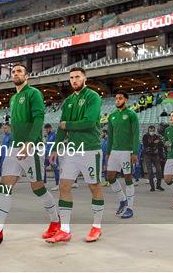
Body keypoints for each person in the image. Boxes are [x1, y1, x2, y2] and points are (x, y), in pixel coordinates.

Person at [0, 64, 59, 245]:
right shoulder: (13, 98)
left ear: (27, 75)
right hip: (14, 148)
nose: (15, 74)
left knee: (38, 188)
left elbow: (38, 119)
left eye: (19, 71)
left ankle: (55, 221)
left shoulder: (33, 93)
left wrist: (29, 143)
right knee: (5, 186)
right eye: (13, 71)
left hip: (31, 147)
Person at [46, 67, 104, 243]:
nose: (74, 80)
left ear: (84, 78)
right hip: (72, 151)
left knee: (94, 187)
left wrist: (67, 125)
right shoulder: (69, 101)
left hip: (91, 149)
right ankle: (64, 230)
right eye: (71, 78)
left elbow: (89, 122)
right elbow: (61, 127)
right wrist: (55, 148)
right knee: (64, 186)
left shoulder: (93, 97)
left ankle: (97, 227)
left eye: (77, 76)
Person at [105, 91, 139, 219]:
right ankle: (122, 200)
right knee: (110, 177)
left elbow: (136, 134)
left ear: (126, 100)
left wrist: (135, 152)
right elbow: (110, 136)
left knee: (128, 178)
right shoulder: (112, 116)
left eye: (120, 98)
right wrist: (108, 152)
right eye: (116, 98)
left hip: (127, 151)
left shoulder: (131, 114)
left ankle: (130, 208)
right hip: (114, 151)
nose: (117, 100)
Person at [142, 125, 165, 191]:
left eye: (153, 130)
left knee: (159, 170)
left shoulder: (157, 136)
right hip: (147, 155)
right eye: (150, 130)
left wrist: (161, 156)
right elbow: (145, 145)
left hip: (155, 155)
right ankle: (152, 187)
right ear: (148, 130)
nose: (152, 131)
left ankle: (158, 185)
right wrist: (153, 142)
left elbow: (160, 147)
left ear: (154, 130)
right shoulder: (145, 136)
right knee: (150, 171)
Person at [43, 123, 60, 191]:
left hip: (52, 155)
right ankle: (44, 183)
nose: (46, 131)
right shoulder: (48, 136)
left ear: (50, 128)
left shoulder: (54, 135)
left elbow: (57, 144)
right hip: (47, 154)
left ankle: (57, 184)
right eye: (45, 130)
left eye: (47, 129)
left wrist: (54, 152)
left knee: (55, 169)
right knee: (43, 168)